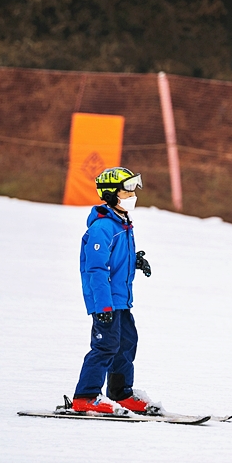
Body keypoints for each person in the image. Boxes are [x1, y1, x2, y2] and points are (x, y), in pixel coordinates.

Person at [72, 167, 156, 414]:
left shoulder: (122, 224)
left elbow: (116, 259)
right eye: (127, 190)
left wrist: (134, 260)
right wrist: (103, 306)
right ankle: (85, 397)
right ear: (110, 195)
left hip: (121, 300)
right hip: (105, 302)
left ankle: (120, 394)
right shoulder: (102, 228)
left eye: (133, 188)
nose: (132, 194)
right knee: (106, 346)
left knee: (126, 343)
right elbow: (96, 269)